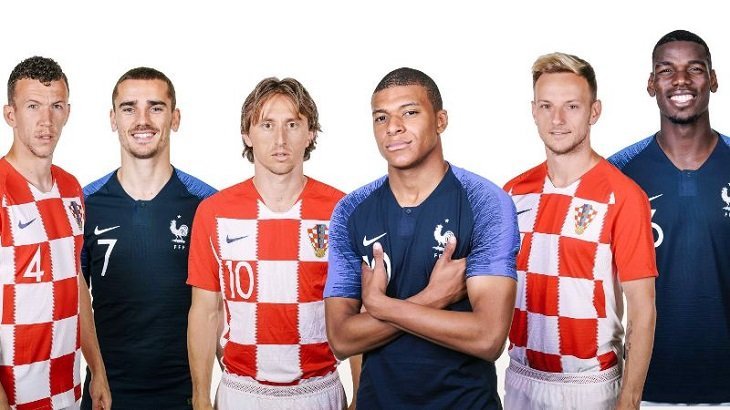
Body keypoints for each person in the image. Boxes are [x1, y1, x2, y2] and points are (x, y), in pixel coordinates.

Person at [324, 67, 519, 409]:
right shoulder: (351, 210)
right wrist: (432, 297)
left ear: (441, 120)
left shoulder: (484, 201)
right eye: (381, 117)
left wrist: (380, 305)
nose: (393, 127)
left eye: (410, 112)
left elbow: (488, 338)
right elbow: (341, 339)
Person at [187, 77, 356, 409]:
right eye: (267, 125)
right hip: (241, 393)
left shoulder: (342, 211)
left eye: (292, 124)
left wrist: (361, 395)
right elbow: (204, 312)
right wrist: (200, 398)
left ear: (310, 132)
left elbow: (357, 309)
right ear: (247, 134)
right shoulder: (214, 212)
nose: (280, 139)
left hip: (318, 391)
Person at [503, 52, 657, 410]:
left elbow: (643, 308)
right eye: (546, 106)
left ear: (594, 111)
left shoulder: (623, 195)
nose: (557, 119)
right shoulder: (512, 192)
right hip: (521, 378)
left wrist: (630, 400)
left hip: (590, 387)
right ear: (533, 111)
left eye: (571, 106)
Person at [81, 67, 215, 409]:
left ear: (175, 118)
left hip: (186, 397)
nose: (142, 120)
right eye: (129, 108)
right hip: (105, 395)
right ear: (113, 119)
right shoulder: (83, 206)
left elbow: (224, 309)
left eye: (155, 107)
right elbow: (71, 300)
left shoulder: (207, 205)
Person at [609, 30, 730, 405]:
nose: (680, 80)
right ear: (651, 84)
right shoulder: (620, 174)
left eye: (694, 69)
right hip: (643, 390)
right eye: (666, 70)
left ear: (712, 80)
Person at [0, 56, 111, 409]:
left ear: (68, 112)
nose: (46, 121)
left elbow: (74, 280)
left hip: (68, 390)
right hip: (14, 395)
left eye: (56, 106)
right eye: (33, 106)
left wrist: (97, 369)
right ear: (10, 114)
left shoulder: (71, 188)